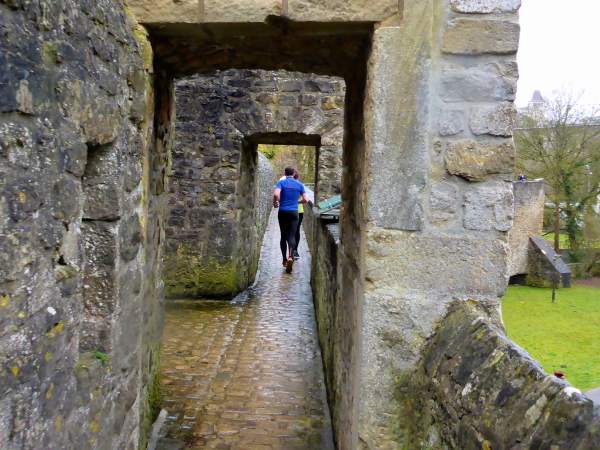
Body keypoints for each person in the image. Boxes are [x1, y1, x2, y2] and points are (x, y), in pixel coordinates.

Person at [274, 166, 309, 273]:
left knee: (283, 236)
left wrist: (276, 202)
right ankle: (290, 256)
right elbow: (306, 199)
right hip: (294, 212)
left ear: (284, 173)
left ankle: (284, 260)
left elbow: (276, 194)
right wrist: (297, 202)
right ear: (294, 174)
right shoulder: (299, 184)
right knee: (292, 235)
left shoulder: (281, 183)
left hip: (283, 211)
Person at [293, 170, 303, 260]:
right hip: (299, 211)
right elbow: (306, 199)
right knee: (297, 230)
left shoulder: (285, 184)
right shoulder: (300, 185)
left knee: (289, 231)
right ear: (298, 177)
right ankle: (295, 250)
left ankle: (290, 251)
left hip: (288, 210)